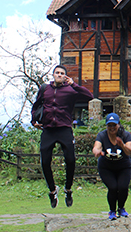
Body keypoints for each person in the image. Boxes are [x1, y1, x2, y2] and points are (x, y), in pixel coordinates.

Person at [31, 65, 94, 208]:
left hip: (64, 128)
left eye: (62, 73)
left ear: (65, 76)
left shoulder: (70, 90)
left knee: (70, 160)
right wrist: (33, 120)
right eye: (57, 73)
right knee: (45, 162)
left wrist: (74, 84)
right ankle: (53, 191)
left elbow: (89, 96)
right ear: (53, 75)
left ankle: (68, 189)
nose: (59, 75)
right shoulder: (45, 89)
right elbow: (36, 105)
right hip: (48, 129)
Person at [93, 113, 131, 221]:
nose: (112, 128)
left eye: (114, 125)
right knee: (113, 187)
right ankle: (112, 211)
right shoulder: (102, 135)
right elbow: (97, 146)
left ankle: (121, 208)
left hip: (123, 166)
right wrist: (97, 151)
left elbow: (130, 151)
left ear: (118, 125)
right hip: (106, 167)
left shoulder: (125, 135)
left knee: (123, 187)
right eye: (109, 125)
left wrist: (122, 145)